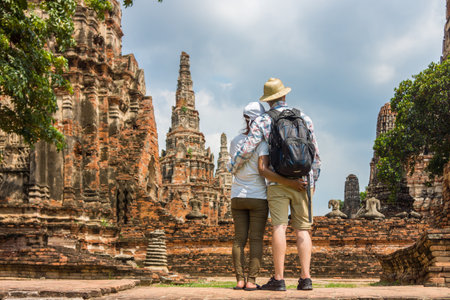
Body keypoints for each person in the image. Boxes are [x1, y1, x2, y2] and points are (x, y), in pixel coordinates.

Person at [230, 78, 321, 291]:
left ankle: (279, 279)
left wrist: (232, 166)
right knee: (303, 230)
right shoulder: (304, 116)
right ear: (284, 95)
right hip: (302, 180)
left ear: (268, 100)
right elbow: (315, 153)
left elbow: (247, 148)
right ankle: (305, 278)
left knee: (279, 226)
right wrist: (312, 182)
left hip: (277, 181)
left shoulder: (263, 120)